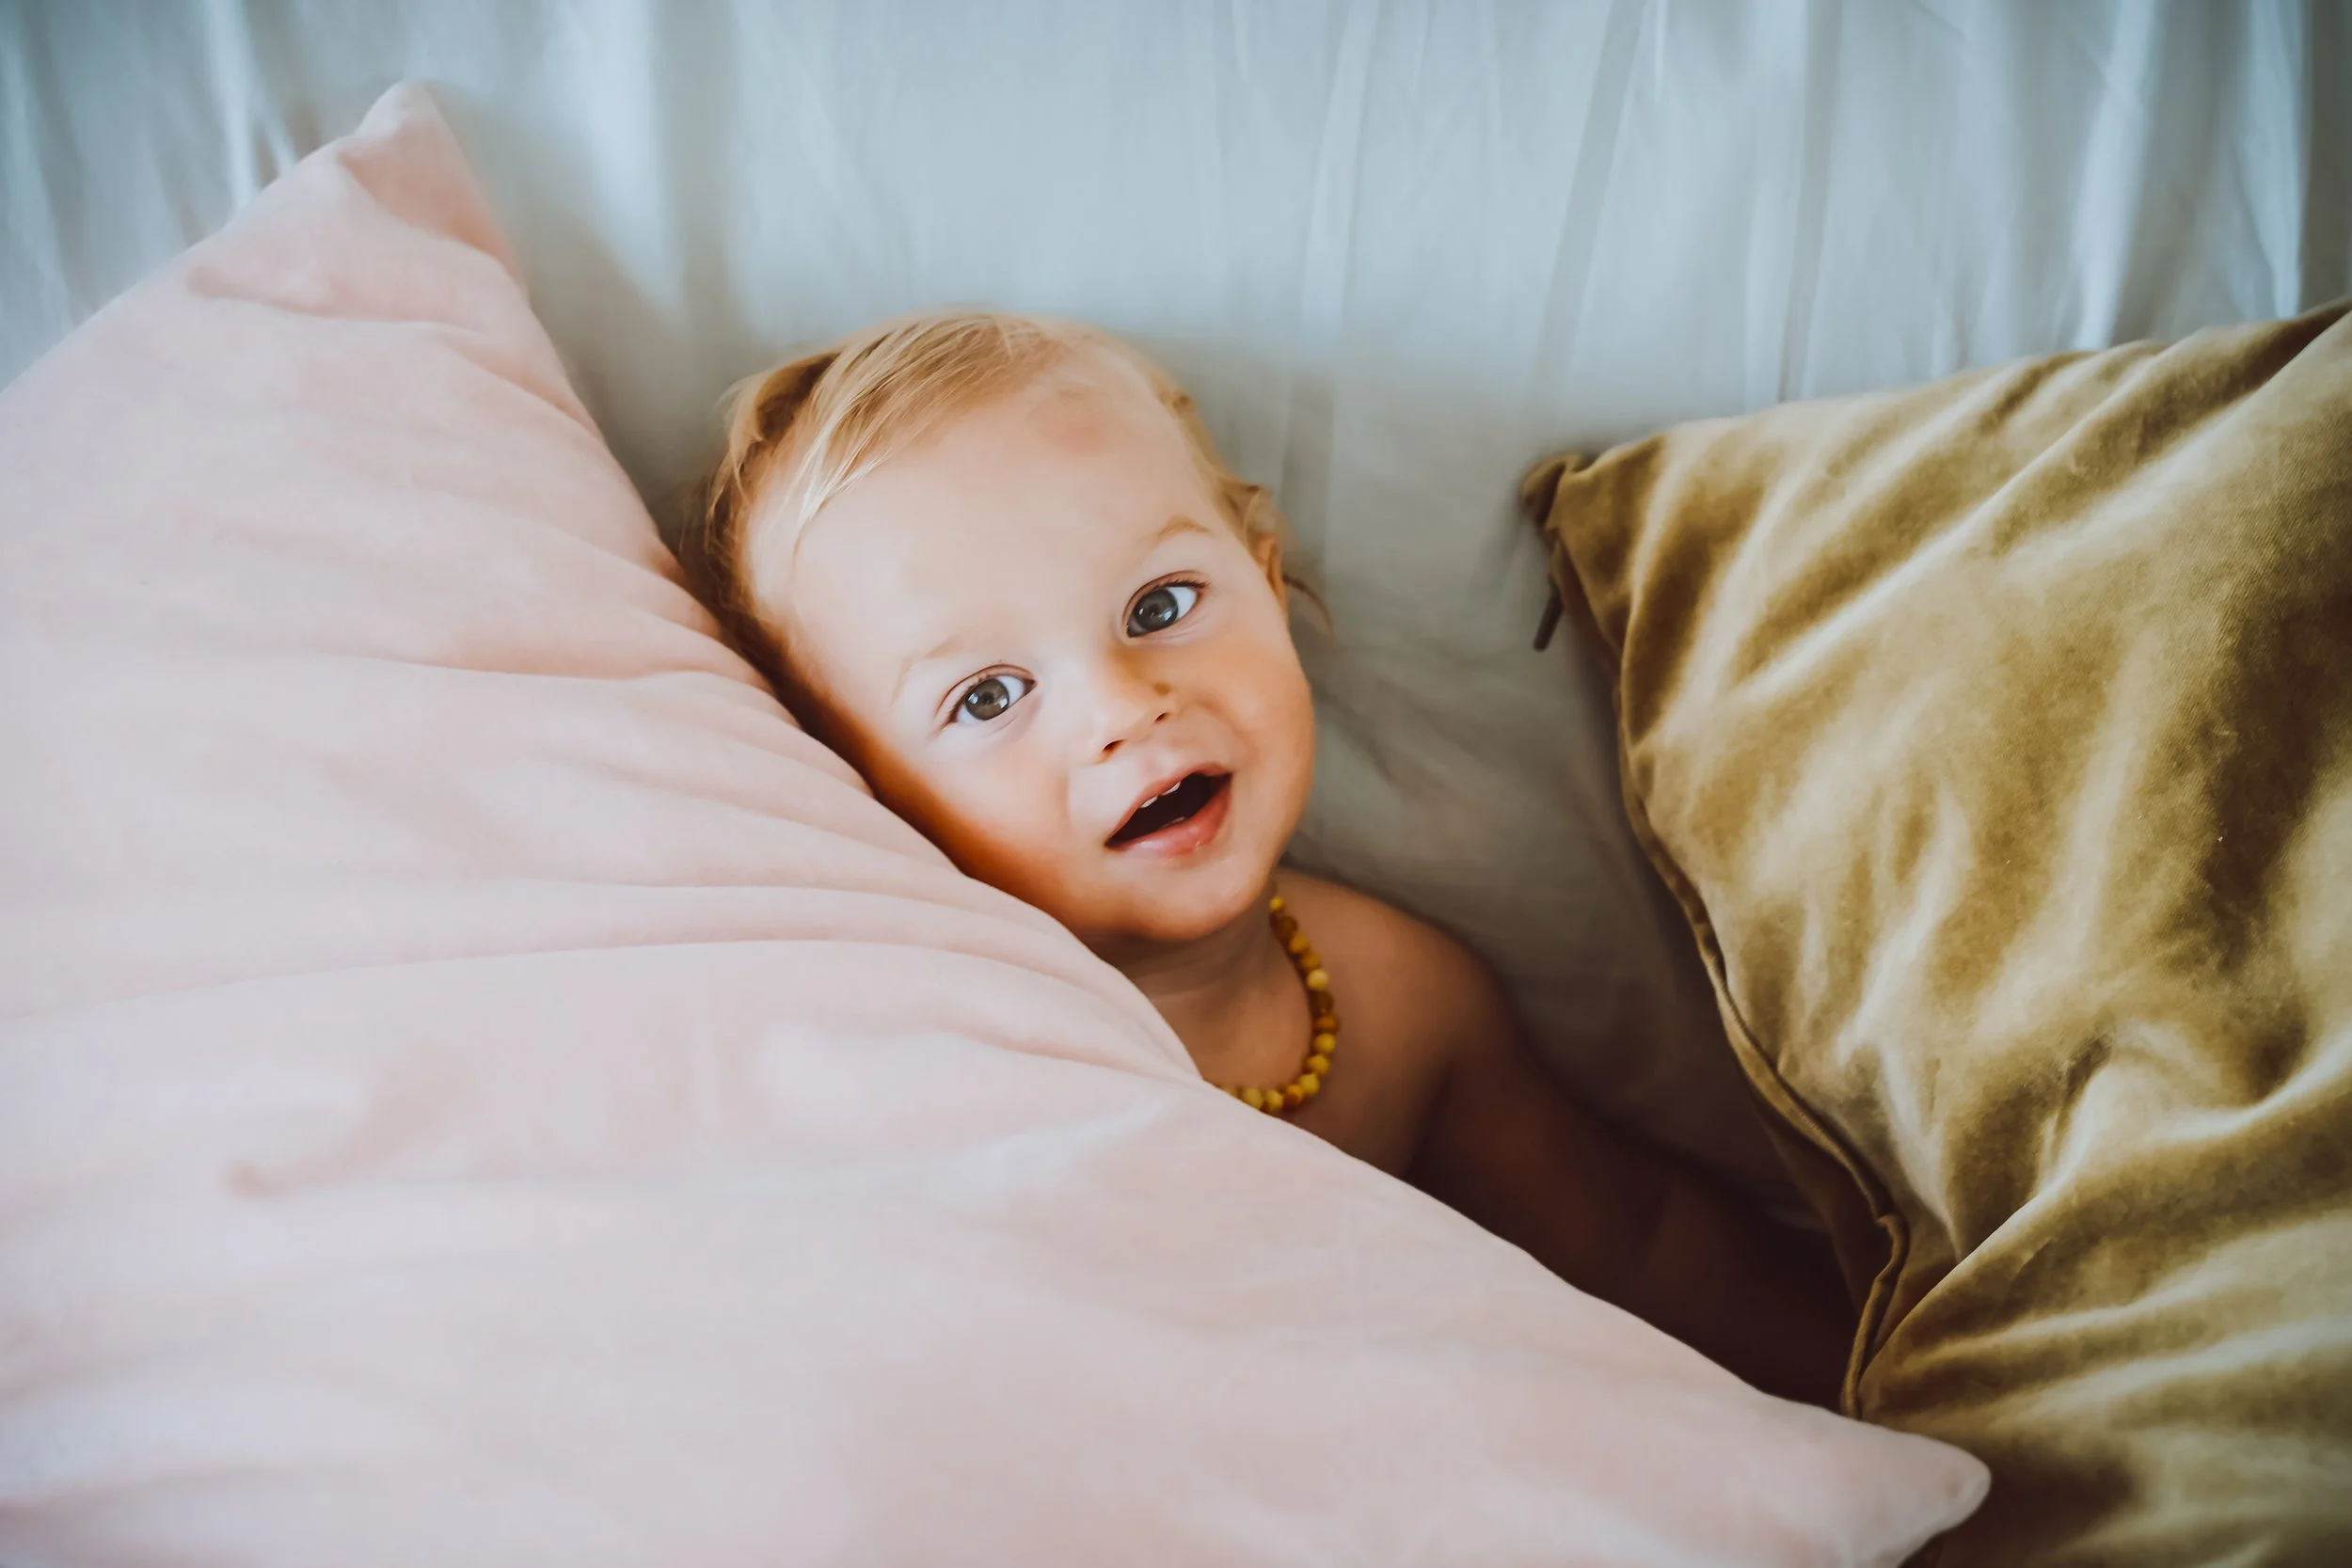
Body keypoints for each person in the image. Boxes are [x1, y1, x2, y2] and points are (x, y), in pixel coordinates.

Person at [686, 310, 1851, 1404]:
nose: (1123, 706)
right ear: (856, 790)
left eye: (1158, 604)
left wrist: (1886, 1397)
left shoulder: (1393, 995)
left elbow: (1632, 1236)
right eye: (987, 694)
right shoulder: (970, 1063)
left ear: (1268, 578)